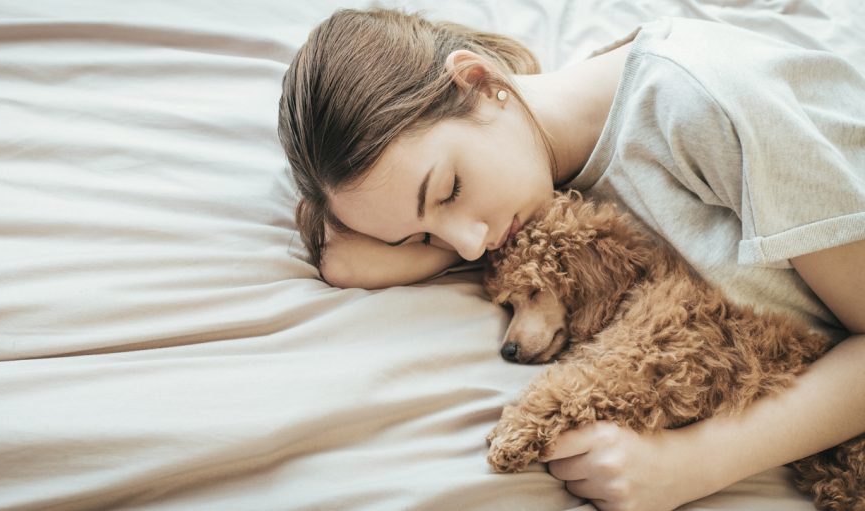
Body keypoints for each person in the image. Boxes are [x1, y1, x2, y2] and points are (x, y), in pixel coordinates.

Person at [277, 7, 865, 511]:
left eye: (449, 190)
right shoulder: (524, 180)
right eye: (419, 239)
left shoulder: (698, 106)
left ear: (479, 82)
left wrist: (697, 464)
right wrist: (393, 234)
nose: (472, 245)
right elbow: (347, 261)